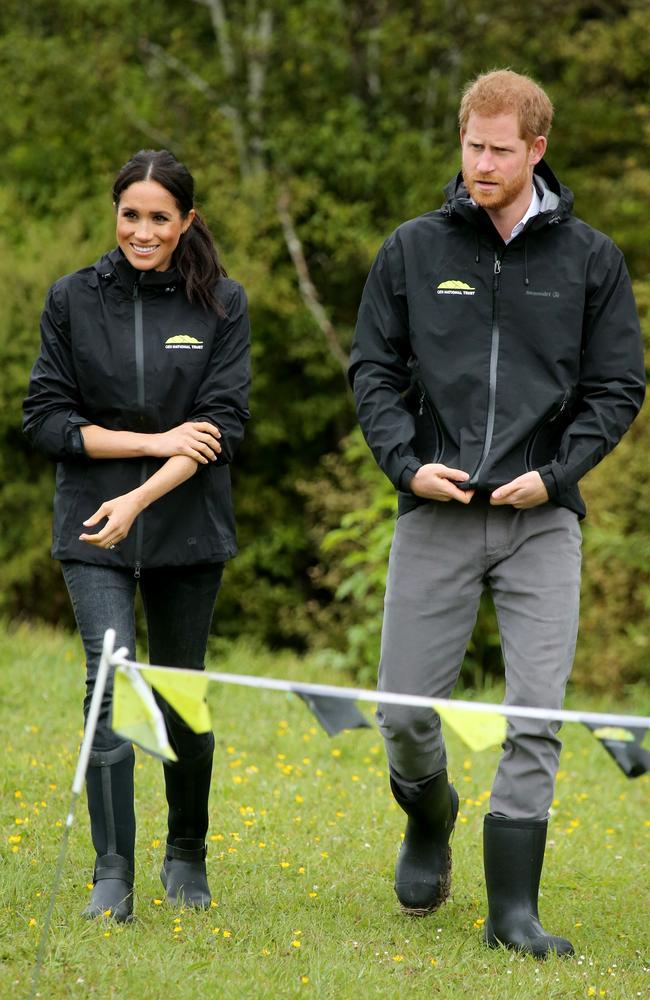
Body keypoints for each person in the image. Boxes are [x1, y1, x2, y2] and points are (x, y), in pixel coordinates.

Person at [349, 70, 644, 956]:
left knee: (536, 715)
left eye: (499, 151)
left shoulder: (591, 260)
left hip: (541, 518)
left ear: (537, 150)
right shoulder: (412, 249)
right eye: (471, 145)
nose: (480, 163)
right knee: (401, 711)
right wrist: (407, 464)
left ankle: (513, 913)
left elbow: (618, 385)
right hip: (433, 508)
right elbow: (373, 371)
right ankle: (429, 815)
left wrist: (556, 477)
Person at [23, 150, 251, 923]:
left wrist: (143, 498)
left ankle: (187, 853)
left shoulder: (223, 303)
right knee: (110, 681)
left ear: (186, 220)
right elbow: (47, 420)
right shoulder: (72, 300)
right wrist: (149, 447)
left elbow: (221, 427)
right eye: (131, 214)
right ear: (114, 212)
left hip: (188, 525)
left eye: (160, 217)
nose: (142, 231)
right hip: (94, 522)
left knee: (181, 689)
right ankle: (110, 870)